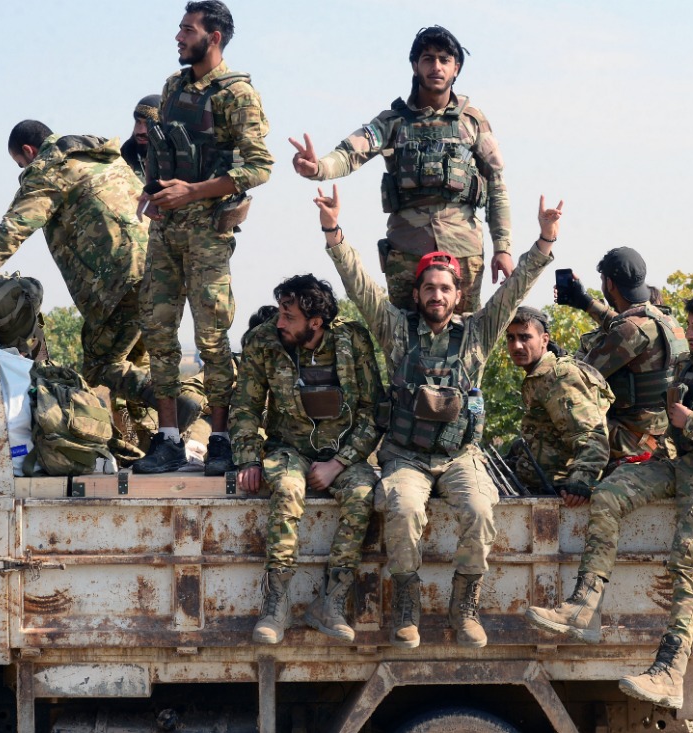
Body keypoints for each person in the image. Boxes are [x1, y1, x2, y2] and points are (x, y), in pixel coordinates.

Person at [315, 183, 559, 649]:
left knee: (481, 510)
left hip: (460, 455)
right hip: (406, 456)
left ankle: (464, 606)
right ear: (416, 292)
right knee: (403, 510)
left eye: (445, 288)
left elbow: (514, 290)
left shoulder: (478, 333)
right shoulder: (395, 329)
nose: (437, 294)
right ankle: (407, 606)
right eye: (429, 287)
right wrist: (333, 230)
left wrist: (544, 240)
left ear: (458, 294)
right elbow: (359, 284)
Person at [525, 290, 693, 710]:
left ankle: (670, 672)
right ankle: (582, 607)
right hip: (678, 463)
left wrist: (692, 423)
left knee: (687, 556)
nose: (689, 334)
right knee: (608, 495)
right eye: (690, 325)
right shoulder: (689, 365)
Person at [0, 120, 199, 421]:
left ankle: (179, 404)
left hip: (123, 281)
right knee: (136, 362)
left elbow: (13, 229)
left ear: (28, 151)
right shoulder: (103, 157)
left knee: (101, 365)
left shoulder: (50, 170)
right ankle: (158, 436)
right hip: (166, 268)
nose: (23, 169)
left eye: (20, 163)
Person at [134, 0, 274, 476]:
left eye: (188, 30)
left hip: (208, 233)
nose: (178, 37)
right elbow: (164, 148)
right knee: (158, 333)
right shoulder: (172, 87)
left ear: (213, 38)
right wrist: (151, 190)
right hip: (165, 230)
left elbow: (259, 166)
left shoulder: (237, 94)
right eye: (179, 28)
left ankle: (220, 438)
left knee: (211, 338)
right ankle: (168, 439)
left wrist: (193, 191)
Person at [290, 25, 512, 314]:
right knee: (404, 334)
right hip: (407, 251)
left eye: (444, 59)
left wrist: (502, 247)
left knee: (466, 334)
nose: (436, 66)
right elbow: (350, 153)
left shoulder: (473, 121)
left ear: (456, 68)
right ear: (415, 65)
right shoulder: (393, 122)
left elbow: (496, 184)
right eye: (428, 59)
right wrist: (318, 167)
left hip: (464, 252)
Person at [229, 275, 382, 645]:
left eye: (289, 316)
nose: (280, 322)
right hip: (288, 447)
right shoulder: (263, 341)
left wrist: (339, 463)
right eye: (280, 312)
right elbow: (246, 406)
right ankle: (275, 605)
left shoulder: (352, 340)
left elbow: (373, 410)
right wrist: (248, 459)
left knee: (363, 495)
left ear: (315, 322)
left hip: (343, 452)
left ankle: (331, 602)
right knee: (286, 488)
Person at [560, 247, 688, 463]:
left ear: (609, 284)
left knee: (555, 421)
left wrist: (555, 357)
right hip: (663, 437)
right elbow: (627, 325)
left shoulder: (630, 330)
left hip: (629, 440)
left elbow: (579, 377)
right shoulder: (666, 320)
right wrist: (585, 302)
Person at [504, 307, 613, 501]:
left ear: (544, 339)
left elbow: (591, 436)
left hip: (556, 489)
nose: (517, 346)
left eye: (525, 337)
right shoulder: (539, 375)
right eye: (511, 338)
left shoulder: (559, 377)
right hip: (533, 481)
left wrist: (580, 483)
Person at [121, 94, 162, 182]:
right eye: (138, 122)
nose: (141, 131)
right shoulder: (121, 161)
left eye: (148, 124)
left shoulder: (178, 165)